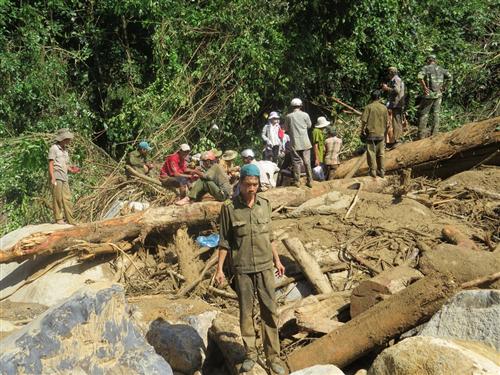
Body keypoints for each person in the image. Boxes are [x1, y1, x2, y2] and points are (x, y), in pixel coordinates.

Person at [215, 164, 286, 374]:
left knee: (270, 311)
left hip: (265, 266)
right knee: (246, 312)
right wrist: (219, 269)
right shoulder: (229, 208)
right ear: (241, 184)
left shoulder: (265, 204)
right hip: (242, 268)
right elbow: (224, 242)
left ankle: (273, 357)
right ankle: (251, 353)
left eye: (255, 184)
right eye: (248, 184)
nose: (252, 188)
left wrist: (278, 260)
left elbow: (270, 236)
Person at [48, 128, 80, 224]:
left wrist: (72, 169)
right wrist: (52, 177)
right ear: (63, 139)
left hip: (64, 176)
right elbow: (51, 164)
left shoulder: (65, 150)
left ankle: (71, 220)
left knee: (67, 198)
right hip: (57, 175)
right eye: (68, 139)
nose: (69, 141)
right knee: (57, 197)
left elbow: (66, 165)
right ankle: (58, 219)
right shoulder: (54, 148)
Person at [417, 55, 452, 139]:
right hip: (438, 94)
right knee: (436, 114)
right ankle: (435, 134)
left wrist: (424, 87)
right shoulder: (441, 69)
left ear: (428, 60)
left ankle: (421, 136)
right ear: (435, 61)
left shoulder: (426, 68)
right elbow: (450, 77)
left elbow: (419, 77)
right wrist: (444, 87)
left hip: (429, 95)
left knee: (424, 114)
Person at [284, 98, 313, 187]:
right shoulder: (305, 115)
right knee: (307, 162)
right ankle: (310, 180)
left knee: (296, 162)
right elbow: (309, 125)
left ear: (292, 106)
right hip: (305, 142)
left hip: (295, 143)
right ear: (300, 106)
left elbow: (286, 128)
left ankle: (297, 181)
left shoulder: (289, 116)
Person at [360, 90, 388, 178]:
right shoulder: (384, 108)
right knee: (381, 153)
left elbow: (364, 121)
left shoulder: (368, 107)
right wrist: (385, 133)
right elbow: (387, 123)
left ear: (371, 98)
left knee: (371, 153)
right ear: (379, 98)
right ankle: (382, 170)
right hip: (381, 134)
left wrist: (362, 131)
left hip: (371, 134)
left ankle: (373, 170)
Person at [381, 66, 405, 147]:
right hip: (396, 103)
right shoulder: (395, 79)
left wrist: (386, 88)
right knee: (396, 121)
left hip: (397, 104)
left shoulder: (396, 79)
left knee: (397, 121)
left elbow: (397, 90)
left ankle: (398, 140)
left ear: (391, 73)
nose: (388, 74)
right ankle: (396, 140)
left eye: (389, 72)